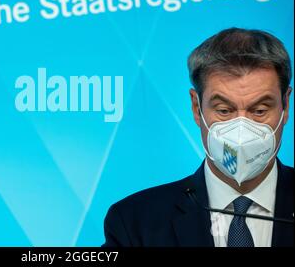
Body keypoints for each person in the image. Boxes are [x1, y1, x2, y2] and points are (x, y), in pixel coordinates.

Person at [102, 28, 293, 247]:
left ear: (285, 105)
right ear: (196, 107)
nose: (242, 131)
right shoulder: (135, 221)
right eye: (224, 111)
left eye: (259, 110)